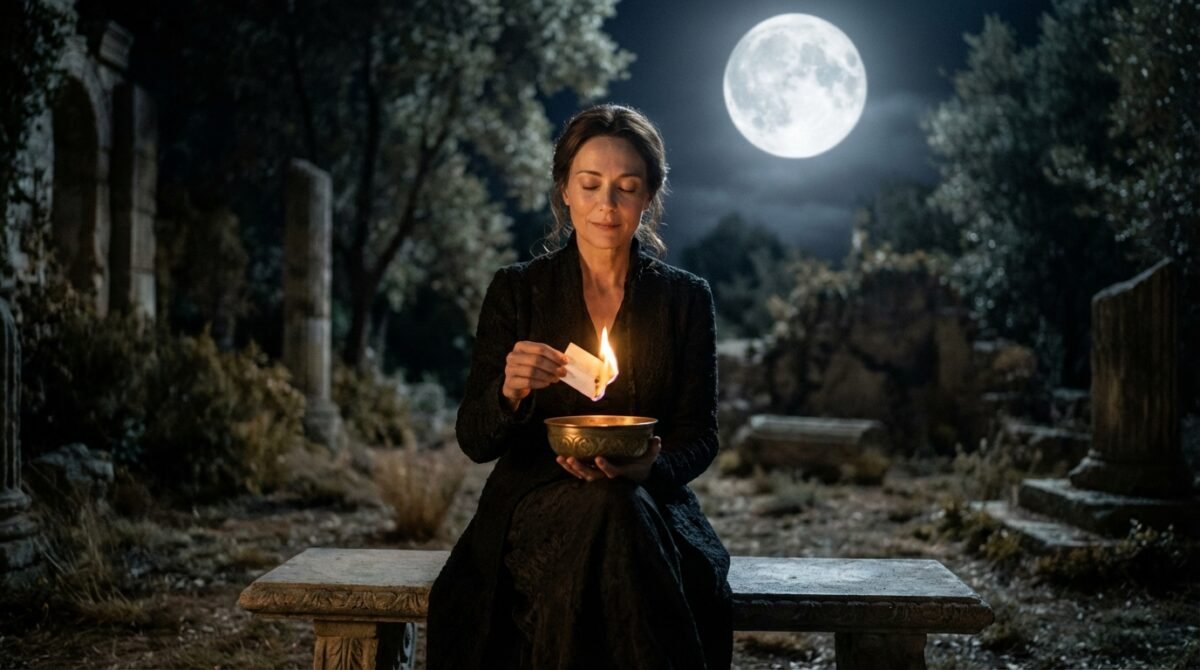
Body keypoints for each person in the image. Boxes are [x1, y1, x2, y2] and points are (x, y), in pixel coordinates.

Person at [426, 103, 732, 670]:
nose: (606, 204)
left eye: (627, 187)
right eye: (590, 184)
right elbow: (474, 439)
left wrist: (651, 468)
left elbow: (700, 435)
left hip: (648, 505)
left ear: (649, 196)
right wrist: (509, 393)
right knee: (607, 514)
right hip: (534, 507)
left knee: (615, 505)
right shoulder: (518, 291)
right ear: (565, 189)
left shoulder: (685, 299)